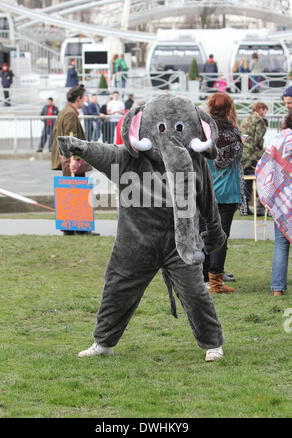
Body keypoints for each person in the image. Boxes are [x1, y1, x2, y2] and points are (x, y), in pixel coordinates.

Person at [57, 93, 227, 362]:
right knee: (117, 290)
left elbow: (207, 201)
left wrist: (214, 232)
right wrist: (79, 147)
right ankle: (104, 341)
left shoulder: (195, 164)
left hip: (181, 245)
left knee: (195, 294)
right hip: (135, 243)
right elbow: (104, 153)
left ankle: (212, 342)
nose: (170, 135)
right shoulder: (130, 159)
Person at [204, 92, 246, 293]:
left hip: (206, 189)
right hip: (226, 191)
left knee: (205, 234)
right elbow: (229, 158)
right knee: (220, 238)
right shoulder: (232, 133)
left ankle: (203, 278)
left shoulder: (203, 131)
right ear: (229, 109)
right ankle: (215, 282)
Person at [256, 112, 292, 296]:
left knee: (280, 243)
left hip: (283, 199)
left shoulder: (280, 138)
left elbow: (265, 166)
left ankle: (277, 288)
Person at [240, 102, 269, 215]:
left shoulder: (246, 119)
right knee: (259, 179)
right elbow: (258, 139)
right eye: (265, 110)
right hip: (253, 155)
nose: (265, 113)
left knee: (245, 180)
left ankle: (244, 207)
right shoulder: (259, 121)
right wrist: (263, 149)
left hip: (243, 153)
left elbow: (243, 136)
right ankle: (259, 206)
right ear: (260, 109)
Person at [51, 85, 86, 175]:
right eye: (84, 97)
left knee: (71, 188)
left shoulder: (66, 111)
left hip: (68, 160)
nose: (85, 100)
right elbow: (70, 138)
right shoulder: (70, 113)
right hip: (71, 162)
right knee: (75, 188)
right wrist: (75, 159)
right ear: (78, 98)